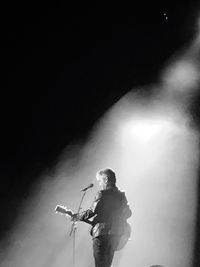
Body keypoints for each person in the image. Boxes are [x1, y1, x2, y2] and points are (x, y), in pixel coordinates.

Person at [72, 168, 132, 267]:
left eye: (100, 181)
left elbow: (91, 212)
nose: (99, 184)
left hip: (101, 236)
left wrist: (76, 216)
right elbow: (129, 213)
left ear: (106, 179)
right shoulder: (121, 195)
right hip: (115, 236)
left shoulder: (102, 193)